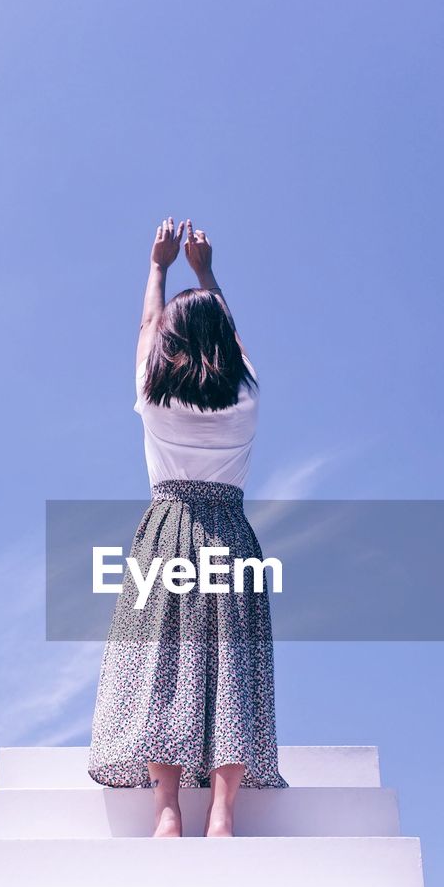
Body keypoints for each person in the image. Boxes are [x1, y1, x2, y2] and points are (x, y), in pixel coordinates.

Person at [87, 216, 287, 836]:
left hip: (168, 525)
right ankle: (223, 815)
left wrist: (159, 267)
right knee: (231, 665)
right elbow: (234, 340)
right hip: (230, 528)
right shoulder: (246, 395)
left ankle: (167, 810)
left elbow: (149, 327)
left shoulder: (154, 392)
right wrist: (206, 272)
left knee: (161, 661)